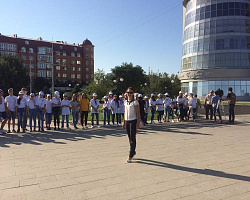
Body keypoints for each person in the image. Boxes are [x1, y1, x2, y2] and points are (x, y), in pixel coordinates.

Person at [122, 87, 140, 163]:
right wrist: (123, 121)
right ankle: (133, 150)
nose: (129, 94)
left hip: (133, 120)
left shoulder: (135, 102)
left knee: (132, 137)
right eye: (128, 92)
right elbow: (125, 112)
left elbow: (138, 113)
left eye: (131, 92)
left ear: (133, 93)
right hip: (127, 120)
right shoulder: (125, 102)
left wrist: (138, 123)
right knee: (129, 137)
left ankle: (130, 154)